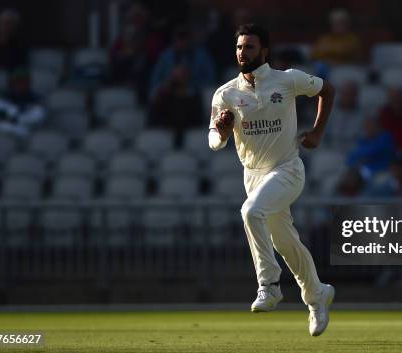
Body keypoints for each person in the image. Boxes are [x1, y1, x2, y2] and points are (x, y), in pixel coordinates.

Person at [208, 24, 336, 336]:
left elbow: (326, 90)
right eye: (239, 47)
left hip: (287, 170)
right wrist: (221, 132)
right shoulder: (226, 94)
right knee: (284, 240)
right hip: (253, 177)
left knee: (250, 212)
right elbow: (213, 140)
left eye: (249, 47)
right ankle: (317, 295)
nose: (242, 53)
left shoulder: (287, 79)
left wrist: (317, 133)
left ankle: (269, 284)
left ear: (264, 51)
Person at [149, 25, 215, 100]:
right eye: (179, 38)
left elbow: (211, 79)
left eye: (184, 38)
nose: (182, 42)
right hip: (169, 95)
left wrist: (191, 81)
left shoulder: (201, 56)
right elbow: (155, 82)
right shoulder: (166, 57)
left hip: (194, 95)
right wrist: (171, 80)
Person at [0, 68, 45, 138]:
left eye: (23, 82)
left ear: (28, 83)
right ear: (11, 83)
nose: (19, 85)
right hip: (3, 134)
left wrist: (14, 116)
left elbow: (35, 119)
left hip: (25, 136)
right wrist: (16, 116)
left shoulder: (36, 100)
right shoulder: (3, 97)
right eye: (16, 81)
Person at [322, 80, 364, 150]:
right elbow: (322, 135)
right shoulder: (329, 112)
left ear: (355, 96)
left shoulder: (363, 115)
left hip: (353, 150)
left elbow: (363, 137)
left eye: (350, 94)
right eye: (345, 94)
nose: (347, 97)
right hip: (331, 149)